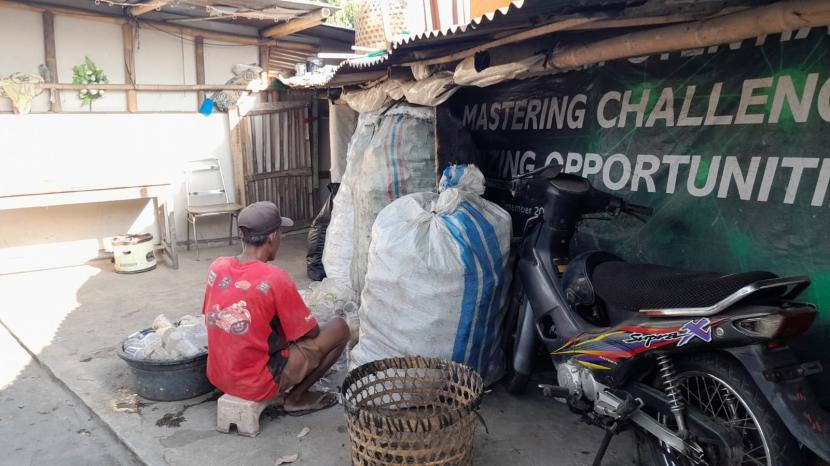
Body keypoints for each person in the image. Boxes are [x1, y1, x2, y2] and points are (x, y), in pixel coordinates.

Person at [202, 201, 349, 415]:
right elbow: (313, 332)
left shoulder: (217, 266)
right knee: (339, 328)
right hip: (255, 383)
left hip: (218, 375)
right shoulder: (274, 277)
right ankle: (296, 398)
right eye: (280, 233)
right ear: (272, 237)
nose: (281, 238)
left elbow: (212, 315)